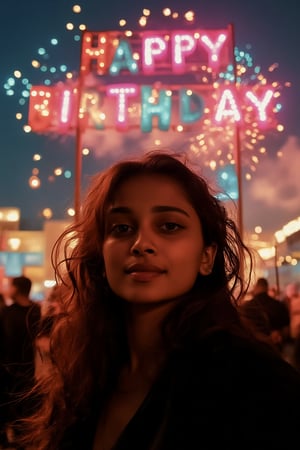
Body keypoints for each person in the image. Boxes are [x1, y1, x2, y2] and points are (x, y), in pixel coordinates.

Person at [17, 151, 300, 450]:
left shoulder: (257, 384)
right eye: (122, 228)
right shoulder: (83, 373)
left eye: (169, 226)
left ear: (207, 256)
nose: (142, 245)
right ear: (100, 254)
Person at [0, 276, 41, 447]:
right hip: (28, 368)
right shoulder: (36, 311)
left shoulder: (8, 312)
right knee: (24, 407)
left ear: (16, 289)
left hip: (9, 368)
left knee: (11, 405)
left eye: (10, 286)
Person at [238, 277, 290, 354]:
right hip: (275, 349)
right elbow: (286, 329)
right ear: (266, 288)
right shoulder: (278, 305)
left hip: (254, 350)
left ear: (257, 287)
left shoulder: (248, 307)